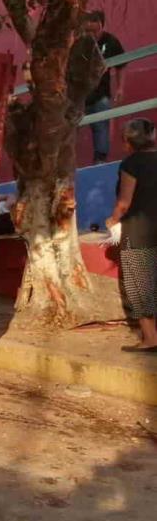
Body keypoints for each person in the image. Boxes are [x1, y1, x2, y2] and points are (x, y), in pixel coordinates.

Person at [105, 118, 157, 352]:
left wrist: (112, 220)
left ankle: (150, 339)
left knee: (140, 285)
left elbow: (124, 202)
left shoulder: (131, 164)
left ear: (128, 141)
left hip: (139, 231)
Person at [82, 11, 127, 163]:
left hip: (100, 94)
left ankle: (100, 159)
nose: (91, 35)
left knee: (101, 126)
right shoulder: (79, 42)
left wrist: (120, 87)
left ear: (102, 26)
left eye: (94, 31)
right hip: (79, 95)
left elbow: (121, 65)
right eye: (87, 31)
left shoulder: (111, 41)